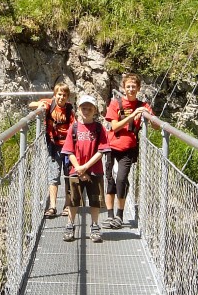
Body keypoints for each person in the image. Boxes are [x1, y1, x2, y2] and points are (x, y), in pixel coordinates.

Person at [103, 73, 157, 229]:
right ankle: (110, 215)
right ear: (123, 88)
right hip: (111, 146)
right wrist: (133, 115)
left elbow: (155, 125)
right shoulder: (115, 103)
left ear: (138, 88)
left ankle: (119, 215)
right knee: (110, 181)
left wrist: (150, 117)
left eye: (134, 86)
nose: (131, 89)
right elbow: (114, 126)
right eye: (128, 86)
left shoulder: (143, 106)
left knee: (121, 179)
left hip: (128, 148)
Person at [61, 94, 110, 243]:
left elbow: (101, 151)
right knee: (74, 200)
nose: (86, 111)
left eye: (89, 108)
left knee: (95, 200)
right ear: (78, 109)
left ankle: (95, 226)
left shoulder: (99, 128)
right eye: (83, 108)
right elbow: (69, 151)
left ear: (95, 110)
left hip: (94, 170)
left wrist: (85, 168)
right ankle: (70, 225)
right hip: (76, 170)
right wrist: (78, 168)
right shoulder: (74, 128)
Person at [29, 82, 75, 217]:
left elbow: (74, 128)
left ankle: (67, 205)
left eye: (64, 95)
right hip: (54, 146)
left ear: (68, 97)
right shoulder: (50, 103)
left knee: (68, 175)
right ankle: (53, 206)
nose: (61, 98)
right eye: (59, 94)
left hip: (67, 146)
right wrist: (40, 105)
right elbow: (31, 105)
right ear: (55, 95)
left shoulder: (69, 111)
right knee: (53, 176)